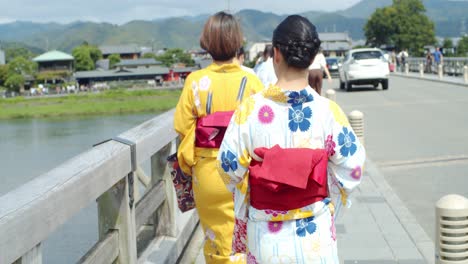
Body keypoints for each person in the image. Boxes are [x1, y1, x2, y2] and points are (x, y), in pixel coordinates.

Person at [217, 15, 365, 263]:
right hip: (315, 233)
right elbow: (354, 169)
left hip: (265, 235)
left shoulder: (250, 110)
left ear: (276, 54)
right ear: (312, 56)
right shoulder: (328, 112)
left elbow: (228, 167)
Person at [174, 11, 263, 263]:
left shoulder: (195, 81)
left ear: (207, 42)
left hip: (208, 172)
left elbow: (182, 127)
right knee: (244, 237)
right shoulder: (252, 81)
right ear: (238, 41)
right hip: (243, 171)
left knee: (215, 239)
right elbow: (261, 130)